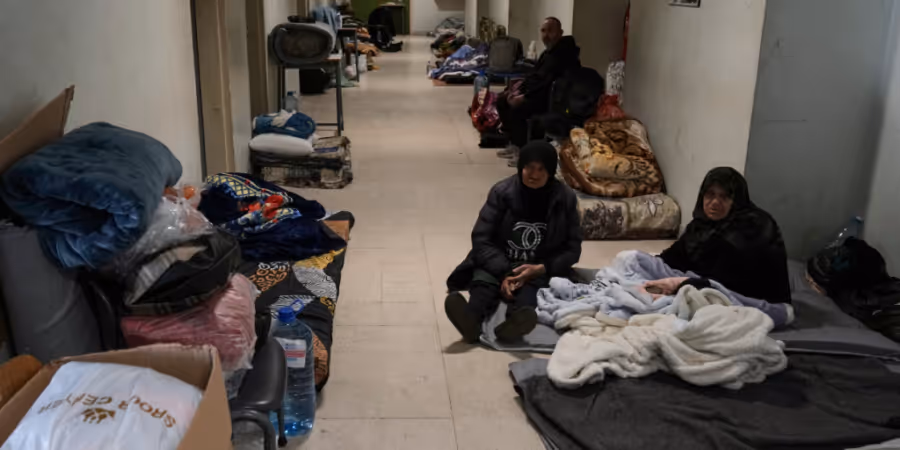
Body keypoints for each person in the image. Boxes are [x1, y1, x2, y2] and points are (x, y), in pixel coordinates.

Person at [445, 141, 583, 343]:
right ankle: (470, 320)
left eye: (541, 169)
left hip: (537, 265)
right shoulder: (502, 192)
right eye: (529, 167)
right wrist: (506, 272)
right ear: (521, 167)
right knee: (483, 285)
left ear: (551, 171)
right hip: (499, 260)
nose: (534, 175)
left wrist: (542, 268)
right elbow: (482, 238)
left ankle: (512, 325)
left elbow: (573, 248)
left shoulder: (564, 199)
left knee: (530, 293)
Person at [646, 167, 791, 303]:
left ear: (736, 201)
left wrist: (680, 284)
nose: (715, 202)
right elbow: (673, 257)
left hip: (750, 298)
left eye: (724, 196)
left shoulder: (751, 227)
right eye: (710, 194)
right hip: (713, 285)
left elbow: (728, 284)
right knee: (636, 264)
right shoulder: (701, 225)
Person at [496, 17, 581, 166]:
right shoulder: (548, 52)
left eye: (550, 31)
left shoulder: (564, 55)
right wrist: (517, 89)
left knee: (517, 109)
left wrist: (523, 96)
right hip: (536, 92)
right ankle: (514, 143)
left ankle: (523, 152)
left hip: (551, 99)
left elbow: (547, 84)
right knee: (502, 100)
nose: (546, 35)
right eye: (543, 31)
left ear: (560, 33)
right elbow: (535, 76)